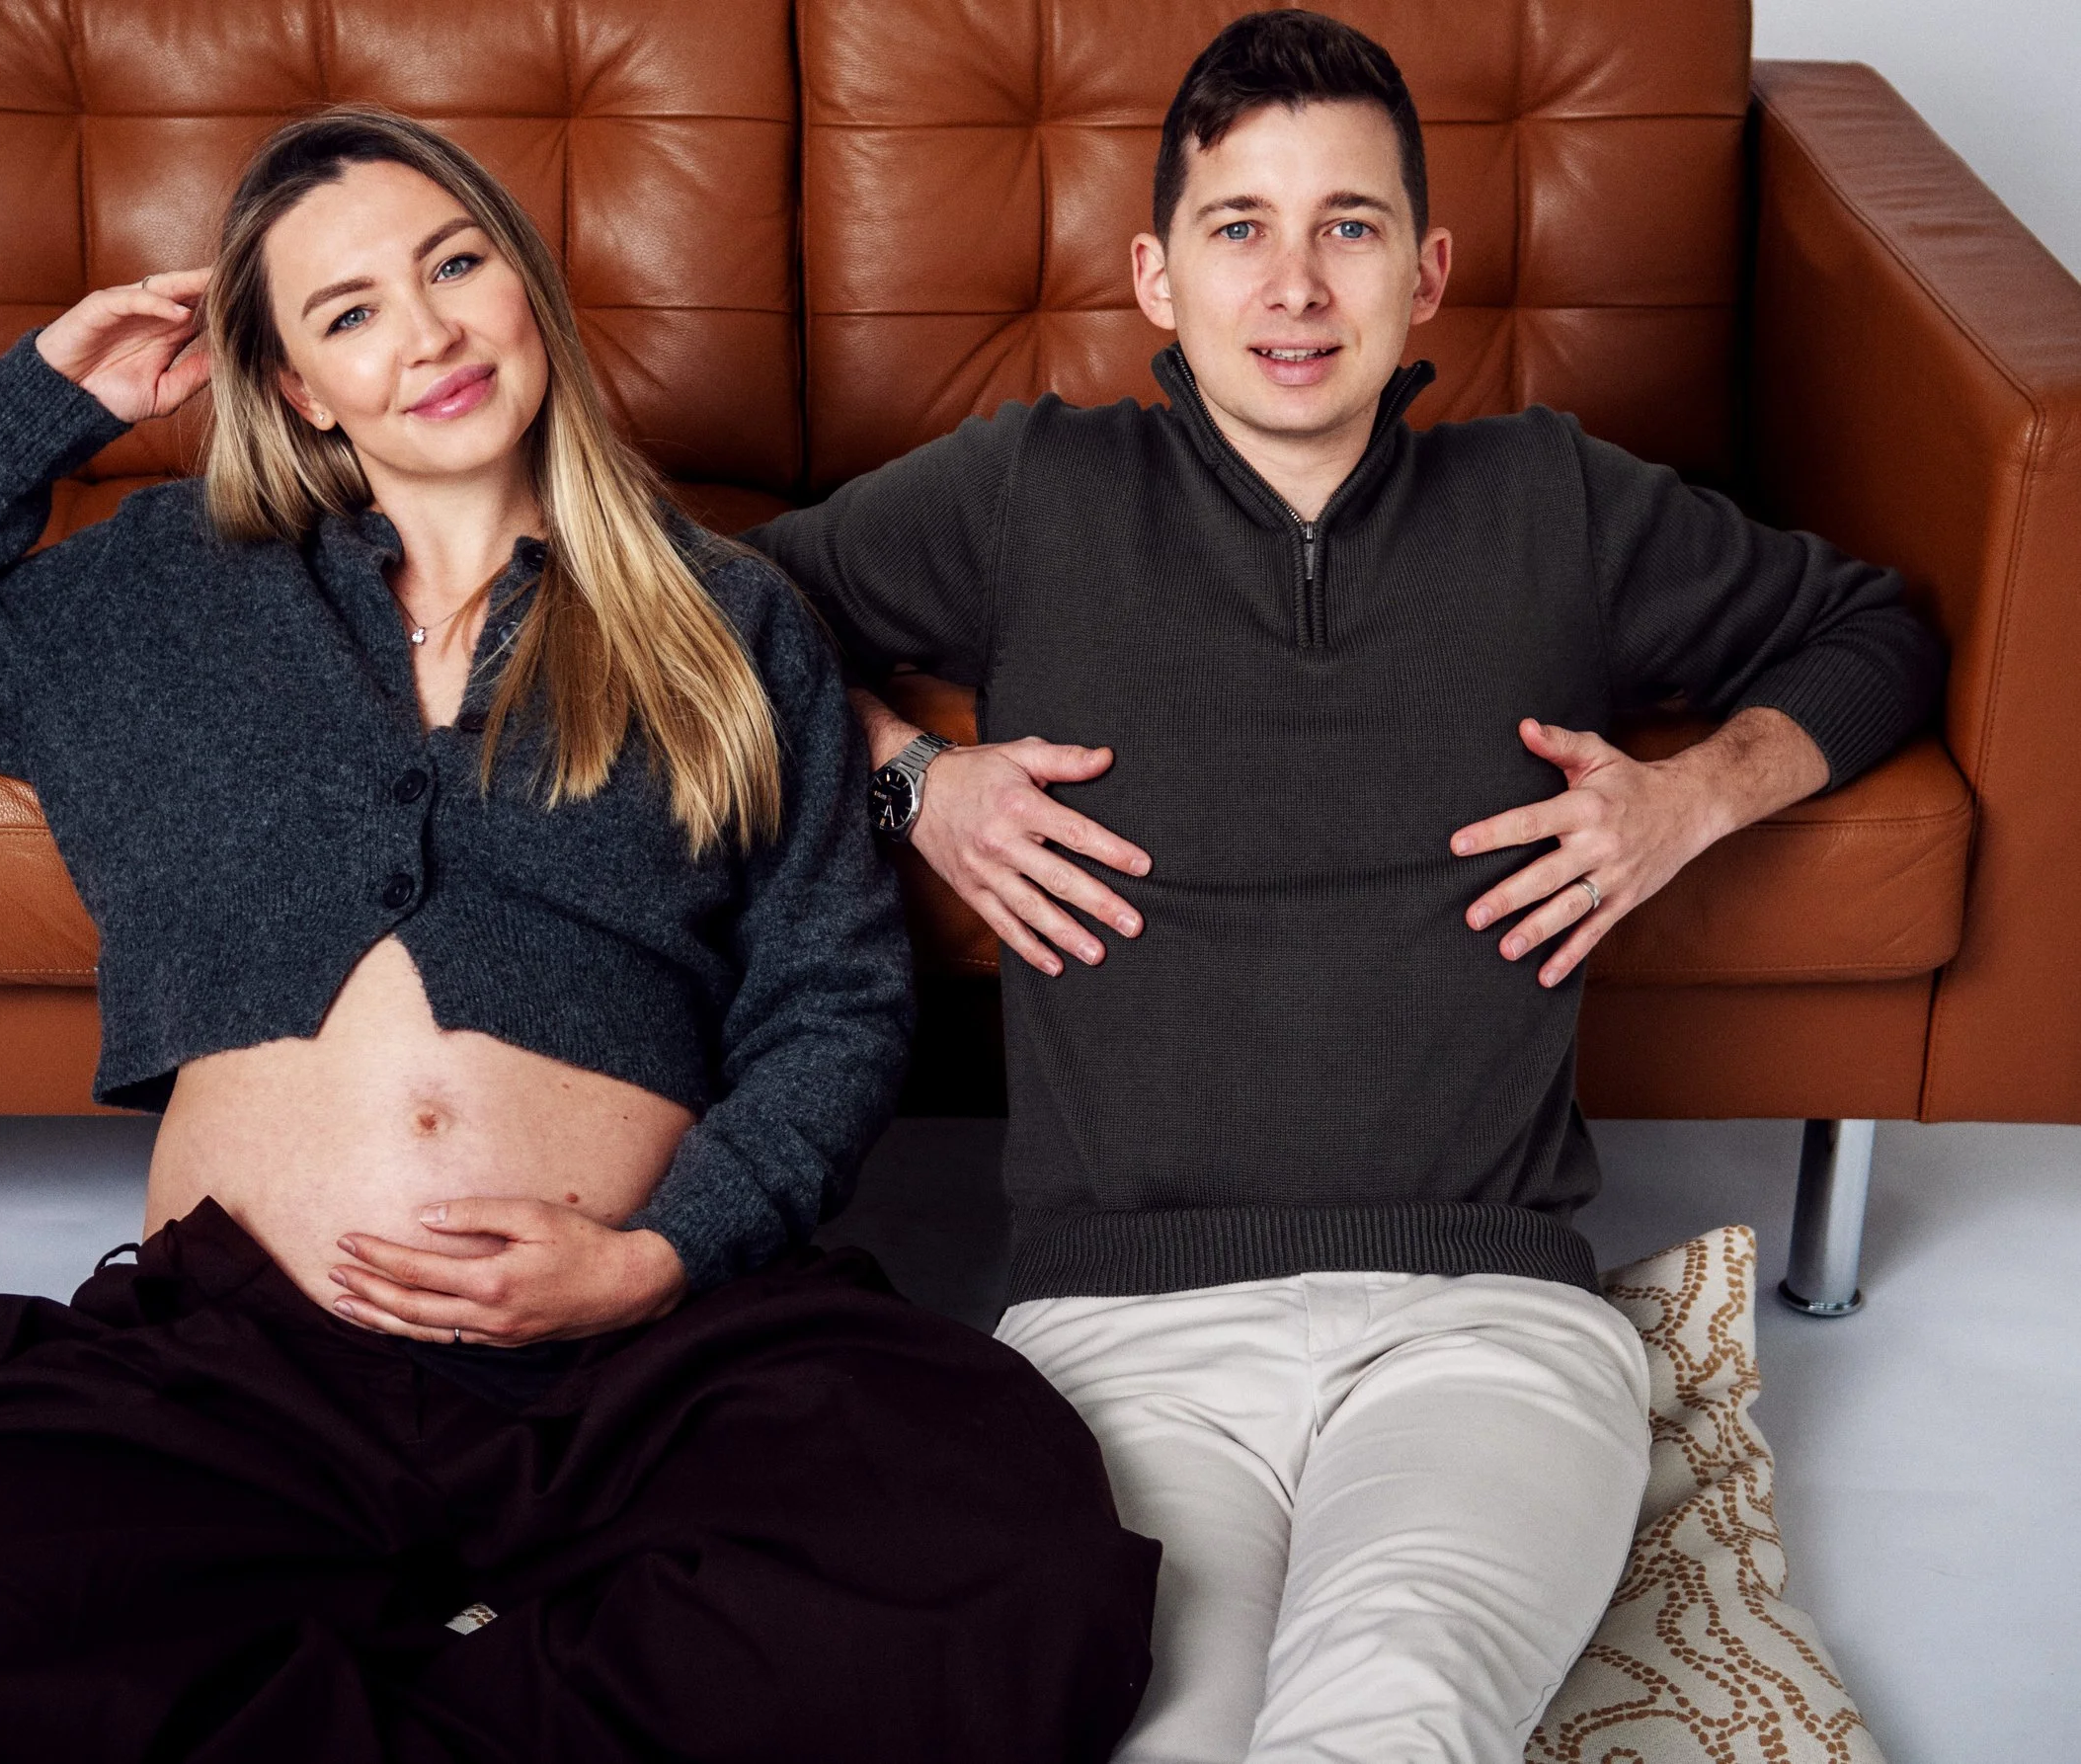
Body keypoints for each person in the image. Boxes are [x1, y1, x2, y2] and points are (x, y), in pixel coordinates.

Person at [0, 108, 1158, 1764]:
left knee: (1015, 1559)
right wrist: (51, 395)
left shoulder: (725, 617)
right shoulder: (169, 585)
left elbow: (834, 1000)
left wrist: (654, 1257)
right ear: (302, 388)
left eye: (456, 264)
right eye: (351, 311)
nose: (431, 332)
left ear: (526, 288)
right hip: (237, 1361)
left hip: (636, 1341)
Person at [738, 12, 1946, 1762]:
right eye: (1240, 227)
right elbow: (706, 606)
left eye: (1349, 227)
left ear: (1427, 271)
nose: (1294, 284)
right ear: (1158, 275)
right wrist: (911, 778)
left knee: (1393, 1711)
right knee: (1145, 1725)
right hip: (1118, 1327)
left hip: (1489, 1325)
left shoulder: (1552, 500)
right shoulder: (1033, 494)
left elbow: (1879, 626)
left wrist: (1693, 799)